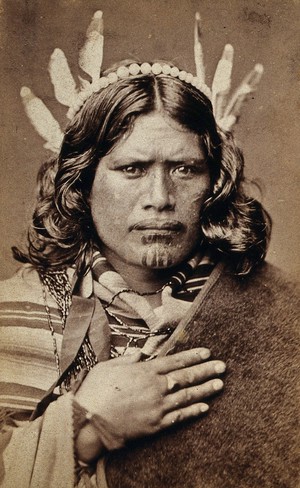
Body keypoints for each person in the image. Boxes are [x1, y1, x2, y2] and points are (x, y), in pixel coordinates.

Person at [0, 11, 299, 488]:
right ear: (83, 183)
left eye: (184, 169)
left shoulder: (286, 313)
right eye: (132, 168)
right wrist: (84, 424)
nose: (160, 197)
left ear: (215, 181)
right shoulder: (12, 316)